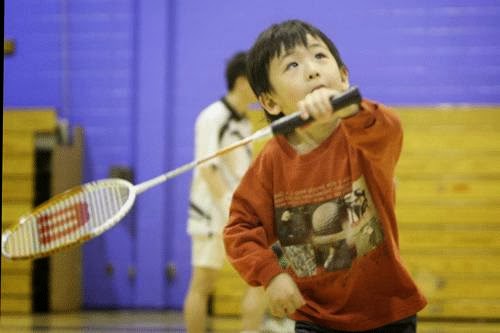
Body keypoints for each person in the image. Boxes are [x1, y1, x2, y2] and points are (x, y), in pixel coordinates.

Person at [223, 20, 427, 332]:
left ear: (343, 78)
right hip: (315, 317)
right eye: (292, 64)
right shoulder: (271, 161)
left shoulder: (365, 136)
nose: (312, 70)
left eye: (320, 57)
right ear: (269, 101)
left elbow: (388, 130)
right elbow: (240, 228)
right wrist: (271, 274)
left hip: (387, 313)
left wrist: (351, 110)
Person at [184, 51, 268, 333]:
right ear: (242, 81)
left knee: (260, 278)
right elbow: (208, 168)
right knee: (203, 284)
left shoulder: (244, 121)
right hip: (211, 212)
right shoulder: (213, 117)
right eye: (257, 80)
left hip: (238, 211)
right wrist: (229, 207)